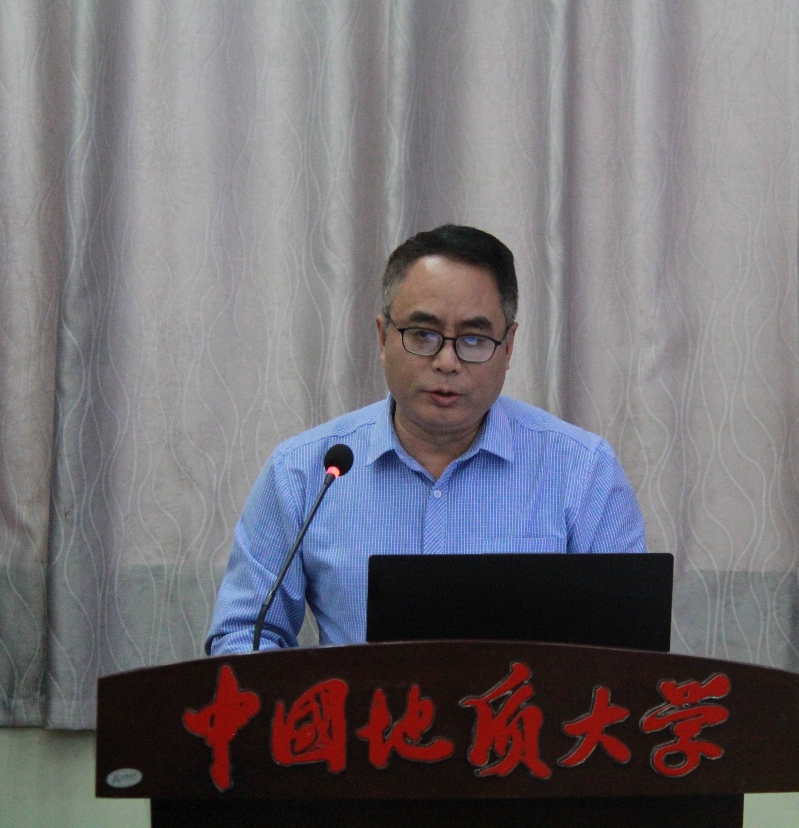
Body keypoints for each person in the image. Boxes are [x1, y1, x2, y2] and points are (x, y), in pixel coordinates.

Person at [206, 225, 645, 654]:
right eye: (423, 335)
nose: (447, 361)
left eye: (473, 339)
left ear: (508, 347)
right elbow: (243, 635)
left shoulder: (583, 470)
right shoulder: (305, 471)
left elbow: (628, 656)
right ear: (383, 337)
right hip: (364, 706)